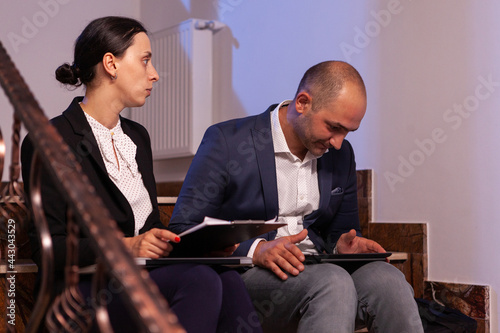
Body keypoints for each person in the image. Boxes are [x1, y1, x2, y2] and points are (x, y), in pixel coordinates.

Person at [21, 16, 261, 333]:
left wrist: (200, 247)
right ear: (111, 64)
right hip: (82, 290)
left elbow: (148, 231)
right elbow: (50, 248)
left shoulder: (137, 136)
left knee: (226, 277)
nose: (155, 74)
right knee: (198, 279)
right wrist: (128, 246)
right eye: (145, 61)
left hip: (140, 277)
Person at [169, 61, 424, 332]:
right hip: (249, 276)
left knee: (389, 281)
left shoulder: (341, 155)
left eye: (348, 132)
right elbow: (182, 230)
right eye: (333, 127)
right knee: (331, 282)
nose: (338, 143)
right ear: (302, 103)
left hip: (320, 265)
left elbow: (337, 232)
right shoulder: (227, 141)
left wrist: (343, 246)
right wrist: (255, 250)